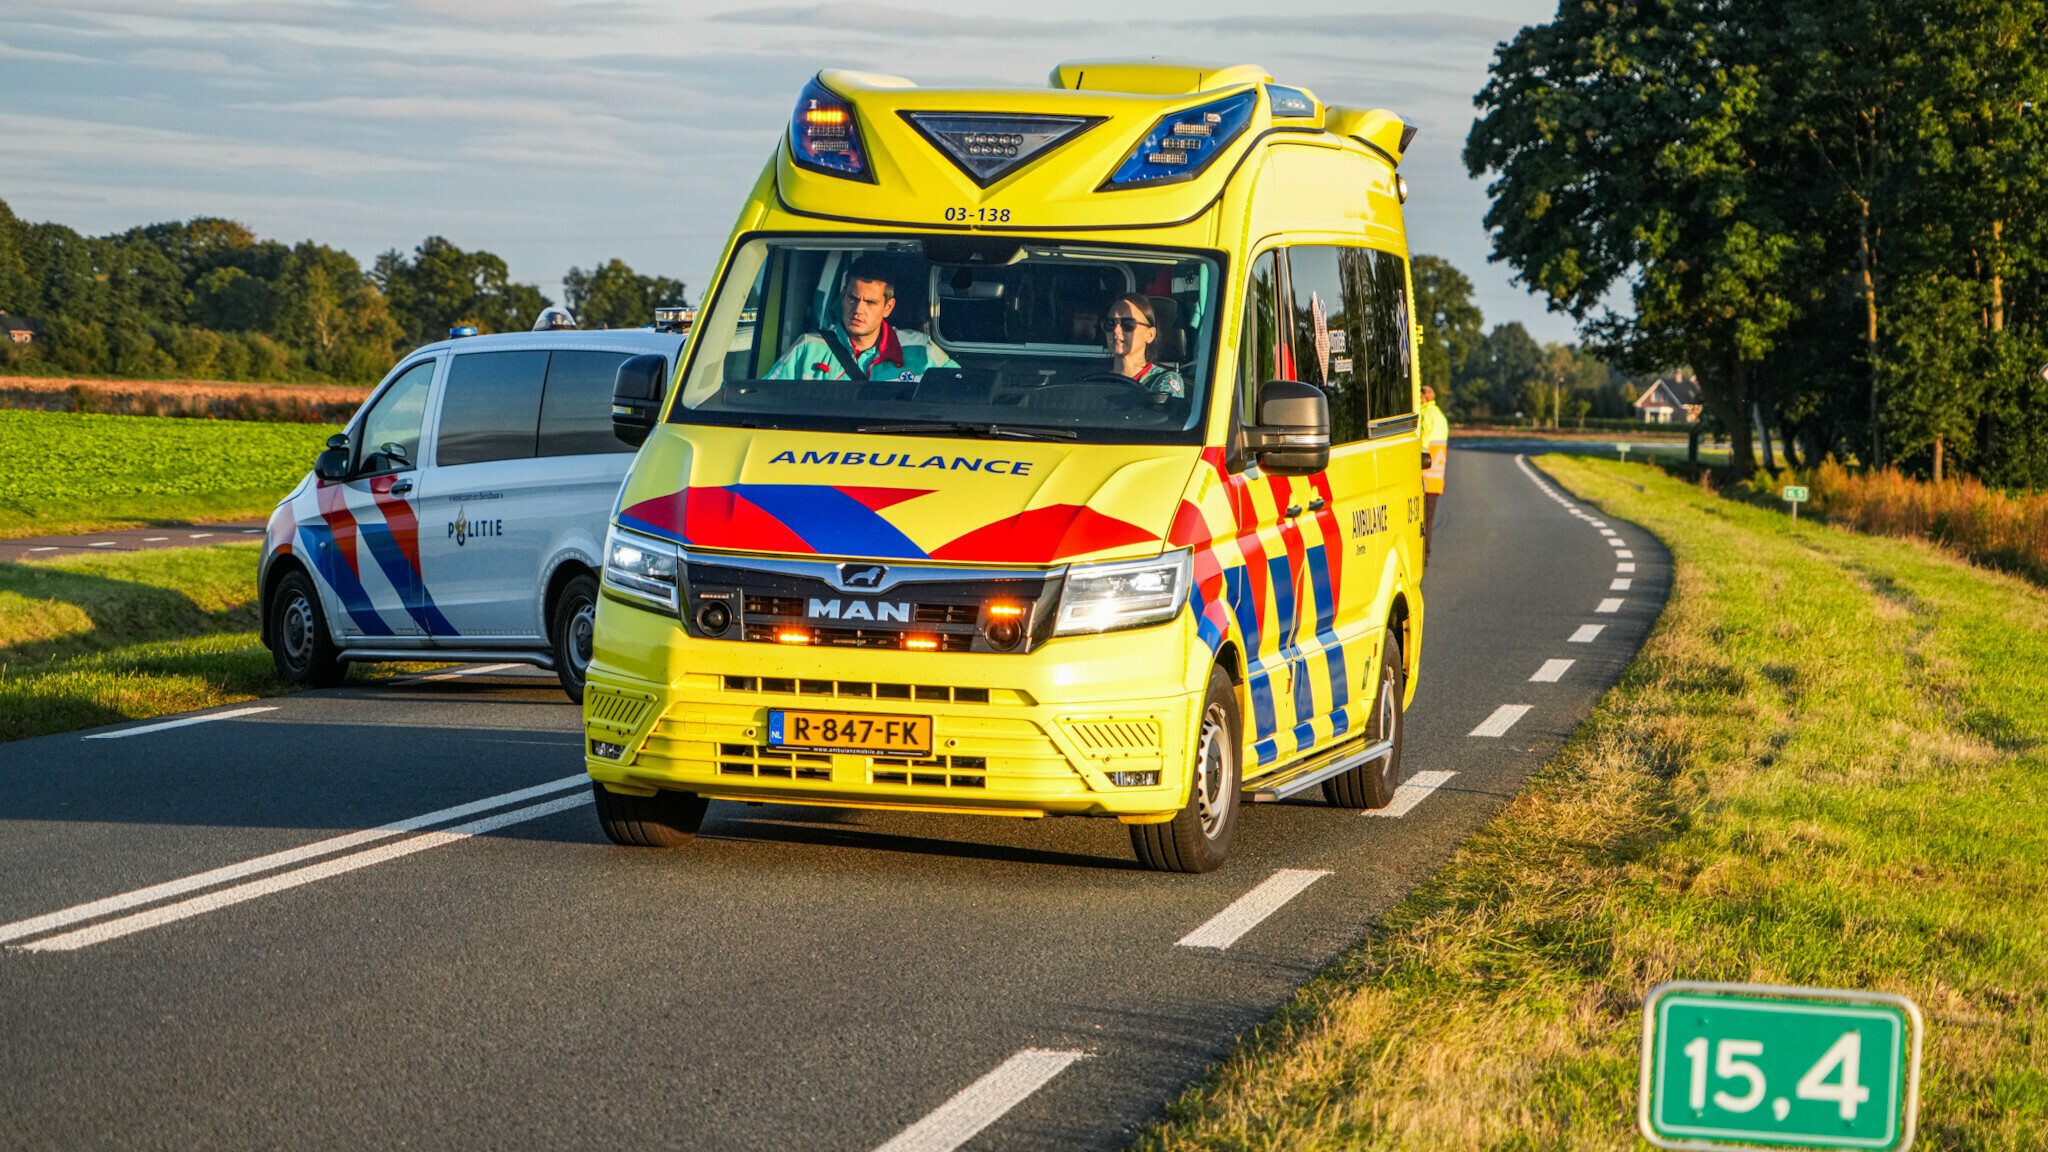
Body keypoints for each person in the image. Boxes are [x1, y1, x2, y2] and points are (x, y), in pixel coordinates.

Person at [765, 259, 955, 382]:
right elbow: (766, 401)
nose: (858, 310)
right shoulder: (808, 348)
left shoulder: (921, 350)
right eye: (853, 299)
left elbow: (960, 390)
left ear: (888, 307)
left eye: (870, 302)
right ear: (843, 296)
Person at [1101, 292, 1186, 398]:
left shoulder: (1164, 380)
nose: (1116, 330)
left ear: (1150, 335)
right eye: (1110, 323)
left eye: (1128, 324)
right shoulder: (1095, 380)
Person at [1419, 384, 1449, 561]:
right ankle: (1426, 554)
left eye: (1420, 395)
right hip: (1437, 478)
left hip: (1424, 476)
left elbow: (1423, 443)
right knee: (1429, 519)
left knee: (1419, 521)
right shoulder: (1440, 417)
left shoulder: (1426, 415)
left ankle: (1421, 554)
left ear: (1425, 397)